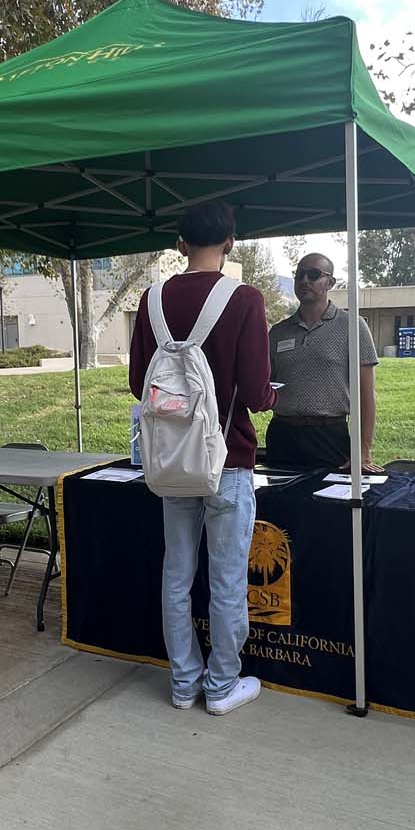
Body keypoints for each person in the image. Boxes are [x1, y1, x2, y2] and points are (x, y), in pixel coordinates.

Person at [129, 202, 275, 717]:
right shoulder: (245, 300)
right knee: (227, 579)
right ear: (231, 243)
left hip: (171, 462)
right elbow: (257, 393)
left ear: (179, 242)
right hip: (227, 459)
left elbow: (137, 385)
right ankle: (221, 686)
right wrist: (272, 396)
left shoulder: (153, 300)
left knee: (176, 573)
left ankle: (183, 683)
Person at [264, 252, 382, 473]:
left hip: (329, 436)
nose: (305, 280)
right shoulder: (278, 332)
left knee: (329, 505)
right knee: (278, 506)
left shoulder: (353, 326)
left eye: (314, 274)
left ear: (330, 282)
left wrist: (363, 451)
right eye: (300, 275)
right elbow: (266, 383)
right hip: (282, 434)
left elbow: (367, 395)